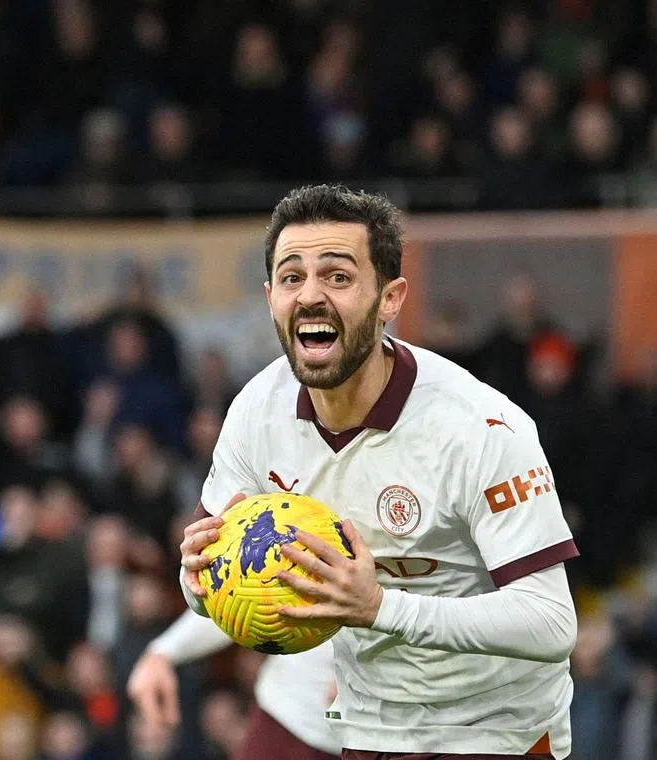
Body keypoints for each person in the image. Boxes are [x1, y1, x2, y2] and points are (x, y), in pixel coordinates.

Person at [178, 184, 579, 759]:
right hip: (371, 728)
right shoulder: (255, 412)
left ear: (391, 299)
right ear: (270, 297)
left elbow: (550, 623)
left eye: (338, 277)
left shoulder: (481, 427)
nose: (311, 295)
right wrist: (200, 582)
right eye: (292, 278)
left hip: (498, 730)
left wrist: (379, 608)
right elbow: (202, 578)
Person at [127, 609, 340, 760]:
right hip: (282, 725)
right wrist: (163, 652)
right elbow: (243, 588)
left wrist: (368, 676)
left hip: (366, 738)